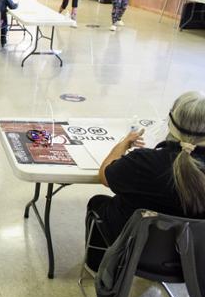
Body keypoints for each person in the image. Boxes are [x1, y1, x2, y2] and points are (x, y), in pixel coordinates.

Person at [85, 91, 205, 272]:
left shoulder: (143, 162)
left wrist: (123, 144)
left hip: (134, 252)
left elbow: (105, 175)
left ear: (171, 123)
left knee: (99, 202)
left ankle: (96, 265)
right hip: (191, 262)